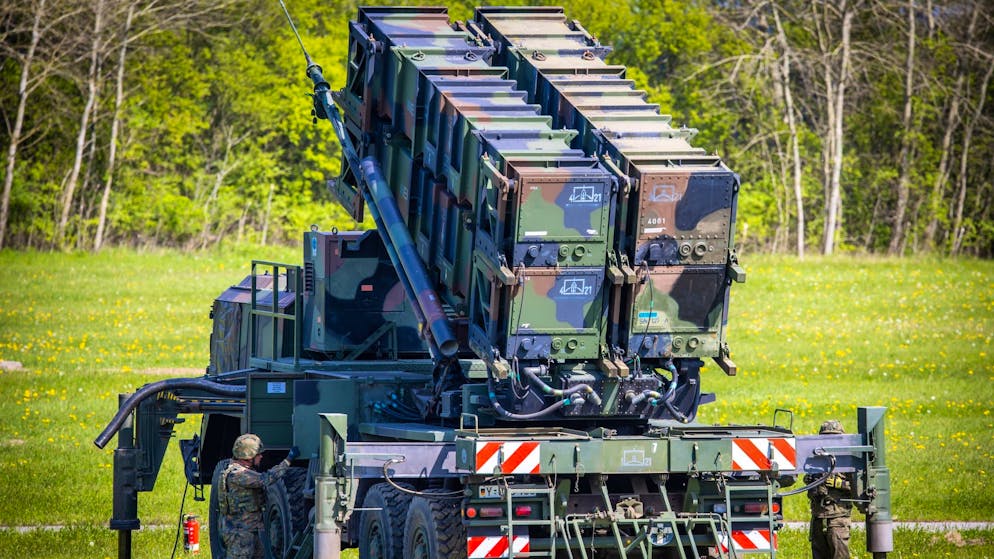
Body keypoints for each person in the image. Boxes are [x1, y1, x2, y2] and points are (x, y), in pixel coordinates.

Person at [218, 433, 299, 559]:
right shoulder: (238, 474)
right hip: (240, 534)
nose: (261, 457)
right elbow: (266, 479)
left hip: (249, 530)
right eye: (258, 454)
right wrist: (288, 460)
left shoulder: (242, 471)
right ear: (248, 456)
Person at [805, 420, 853, 559]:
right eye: (827, 437)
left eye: (835, 437)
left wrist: (836, 483)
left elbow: (858, 488)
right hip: (818, 517)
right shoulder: (815, 458)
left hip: (838, 518)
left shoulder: (848, 459)